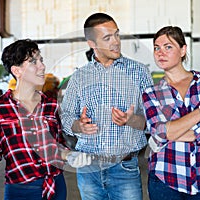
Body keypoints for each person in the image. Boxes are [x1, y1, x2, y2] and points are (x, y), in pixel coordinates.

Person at [0, 39, 90, 200]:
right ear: (17, 70)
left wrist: (69, 156)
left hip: (56, 185)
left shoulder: (51, 105)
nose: (42, 66)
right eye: (33, 62)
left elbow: (56, 146)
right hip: (20, 190)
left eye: (41, 60)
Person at [60, 13, 153, 200]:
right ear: (92, 43)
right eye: (107, 38)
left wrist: (132, 120)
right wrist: (78, 126)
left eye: (117, 35)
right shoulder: (79, 77)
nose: (116, 42)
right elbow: (66, 116)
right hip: (88, 169)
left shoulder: (139, 72)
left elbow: (154, 119)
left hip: (124, 168)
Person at [142, 26, 200, 200]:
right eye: (156, 48)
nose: (161, 53)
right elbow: (160, 132)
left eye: (168, 47)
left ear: (183, 50)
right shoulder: (151, 93)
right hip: (165, 177)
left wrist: (172, 131)